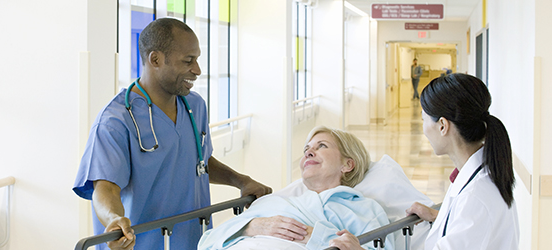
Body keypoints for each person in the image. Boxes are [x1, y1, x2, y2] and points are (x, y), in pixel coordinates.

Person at [72, 18, 272, 250]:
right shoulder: (116, 121)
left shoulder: (194, 106)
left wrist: (241, 181)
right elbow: (105, 186)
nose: (197, 70)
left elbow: (199, 160)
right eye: (188, 61)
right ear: (155, 59)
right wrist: (113, 219)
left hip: (193, 239)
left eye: (197, 60)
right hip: (141, 244)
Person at [332, 73, 519, 249]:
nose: (423, 129)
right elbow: (470, 231)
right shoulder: (479, 176)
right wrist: (439, 216)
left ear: (443, 126)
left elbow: (472, 220)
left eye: (424, 119)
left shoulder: (476, 197)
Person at [198, 126, 394, 250]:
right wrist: (252, 226)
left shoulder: (362, 210)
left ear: (347, 165)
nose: (309, 152)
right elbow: (207, 242)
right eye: (306, 149)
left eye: (322, 146)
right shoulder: (272, 202)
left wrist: (316, 236)